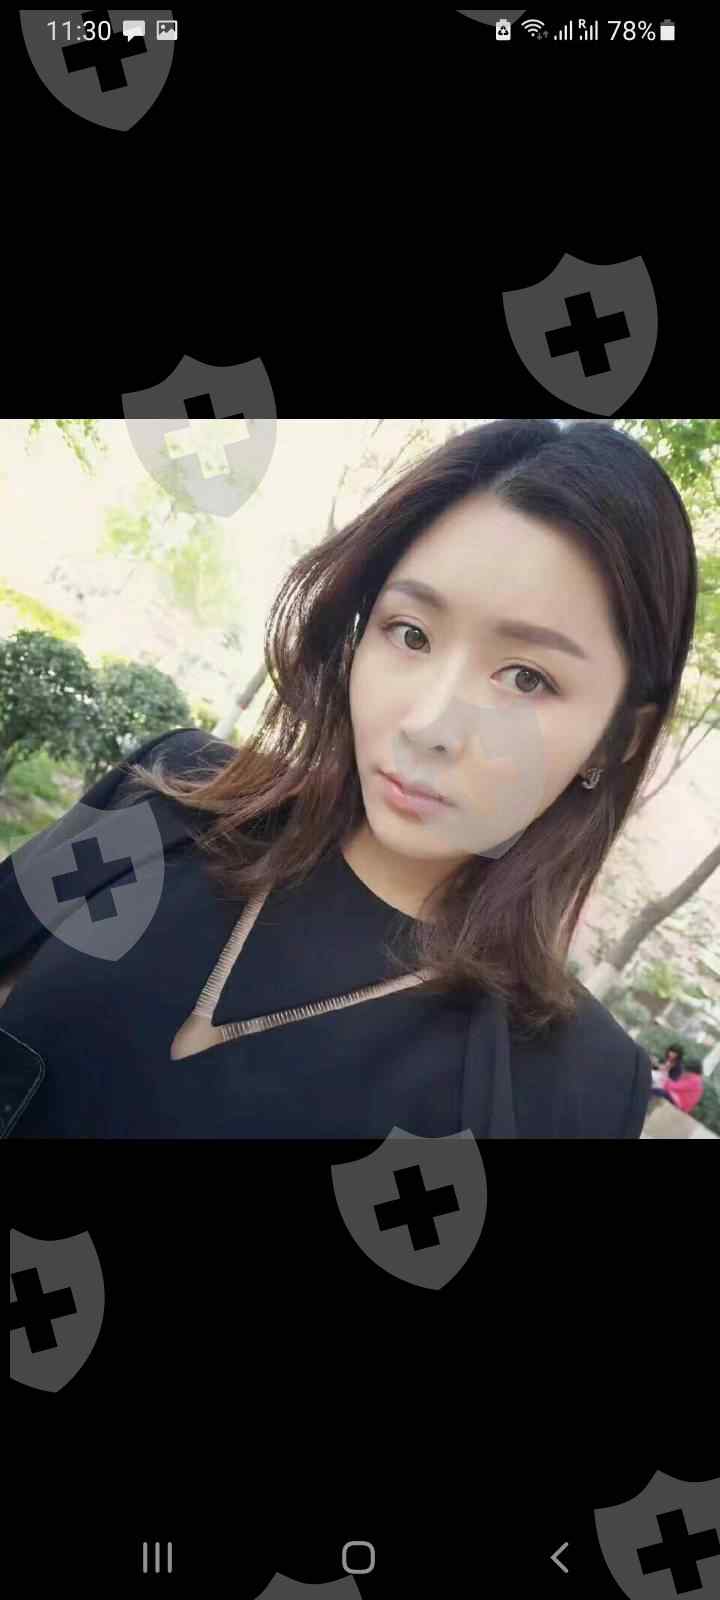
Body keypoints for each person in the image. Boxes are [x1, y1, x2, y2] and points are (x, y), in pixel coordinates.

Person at [0, 419, 698, 1138]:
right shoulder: (167, 800)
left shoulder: (571, 1091)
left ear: (618, 738)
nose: (429, 724)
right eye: (411, 633)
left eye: (526, 678)